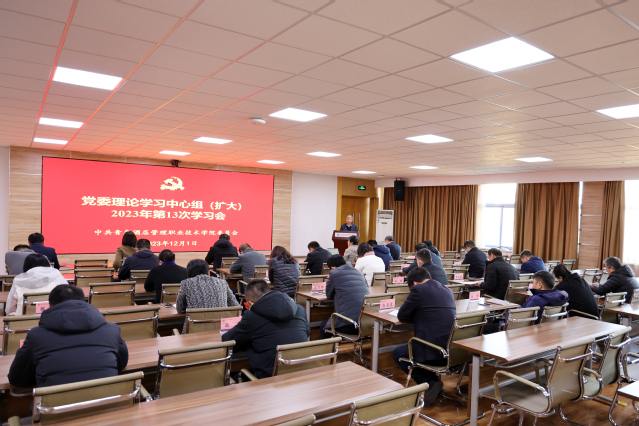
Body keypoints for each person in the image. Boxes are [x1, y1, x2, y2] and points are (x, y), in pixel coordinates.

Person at [8, 284, 128, 388]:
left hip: (54, 407)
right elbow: (121, 363)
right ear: (83, 301)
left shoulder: (36, 336)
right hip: (108, 402)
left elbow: (17, 378)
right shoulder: (112, 330)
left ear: (50, 305)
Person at [222, 279, 309, 379]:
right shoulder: (300, 309)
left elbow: (227, 342)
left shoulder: (251, 317)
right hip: (301, 370)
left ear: (251, 303)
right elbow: (306, 333)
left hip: (270, 379)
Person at [393, 267, 456, 405]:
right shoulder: (447, 290)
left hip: (434, 351)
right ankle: (434, 385)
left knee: (398, 354)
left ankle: (430, 382)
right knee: (414, 347)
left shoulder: (418, 289)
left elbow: (402, 316)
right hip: (452, 350)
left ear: (414, 283)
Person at [320, 254, 369, 339]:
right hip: (366, 324)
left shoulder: (334, 274)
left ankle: (326, 347)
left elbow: (329, 295)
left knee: (323, 325)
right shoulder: (359, 273)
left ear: (332, 267)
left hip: (350, 325)